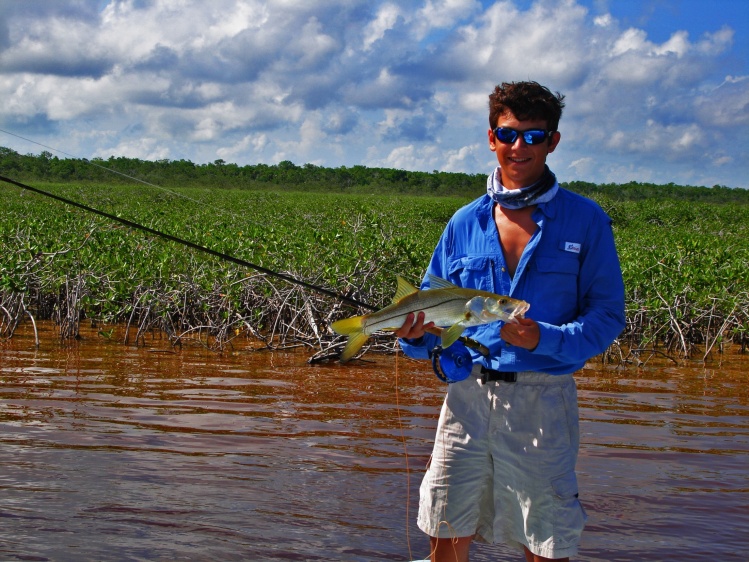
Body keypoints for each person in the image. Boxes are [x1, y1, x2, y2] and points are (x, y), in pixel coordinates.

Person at [396, 81, 625, 562]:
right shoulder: (463, 222)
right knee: (445, 526)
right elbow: (426, 313)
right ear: (491, 137)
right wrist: (416, 339)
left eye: (533, 136)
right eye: (508, 134)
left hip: (543, 399)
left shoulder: (586, 220)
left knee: (546, 541)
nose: (518, 147)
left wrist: (546, 336)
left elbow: (607, 318)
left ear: (553, 141)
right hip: (466, 399)